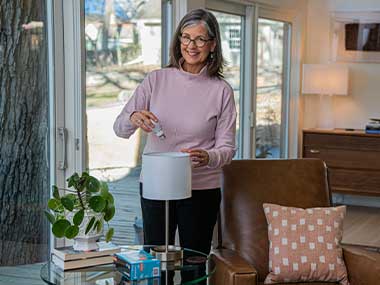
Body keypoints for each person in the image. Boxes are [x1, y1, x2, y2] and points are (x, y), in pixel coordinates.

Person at [113, 8, 236, 257]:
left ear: (213, 45)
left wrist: (208, 156)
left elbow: (227, 149)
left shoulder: (221, 91)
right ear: (179, 40)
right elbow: (120, 128)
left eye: (200, 39)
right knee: (156, 263)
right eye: (186, 37)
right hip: (155, 185)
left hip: (200, 188)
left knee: (194, 263)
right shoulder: (155, 80)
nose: (192, 45)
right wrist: (134, 117)